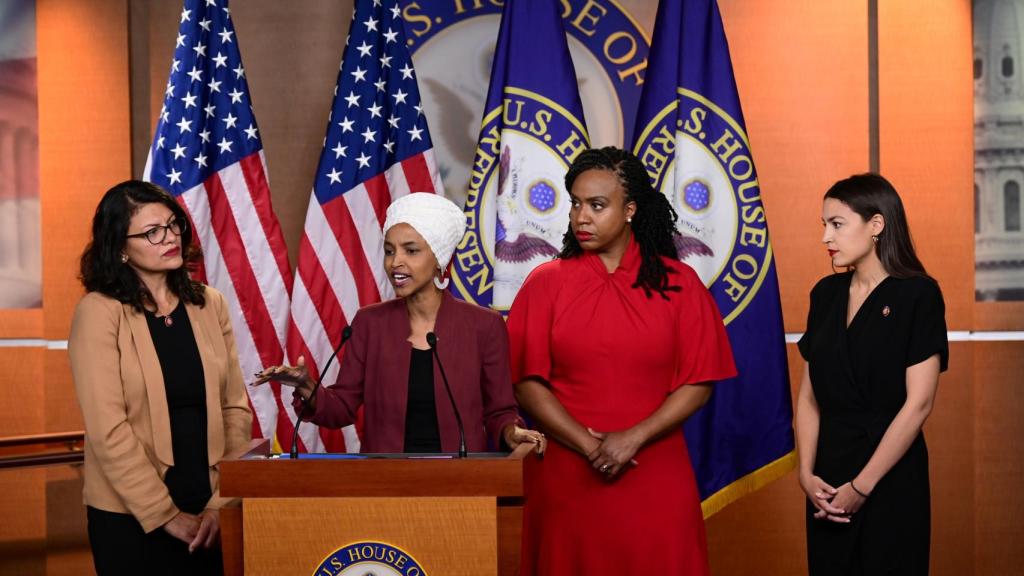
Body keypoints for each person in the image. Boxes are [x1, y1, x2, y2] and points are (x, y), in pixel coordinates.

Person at [507, 146, 736, 575]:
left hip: (654, 470)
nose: (581, 217)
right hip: (567, 475)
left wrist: (634, 436)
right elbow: (526, 382)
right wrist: (589, 444)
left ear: (630, 209)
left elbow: (699, 382)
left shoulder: (680, 284)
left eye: (597, 205)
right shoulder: (546, 283)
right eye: (575, 203)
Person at [255, 192, 544, 455]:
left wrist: (512, 431)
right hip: (384, 486)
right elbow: (341, 409)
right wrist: (307, 385)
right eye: (390, 251)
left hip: (461, 489)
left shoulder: (484, 326)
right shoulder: (370, 323)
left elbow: (499, 412)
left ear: (440, 260)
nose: (396, 262)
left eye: (411, 251)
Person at [69, 181, 253, 575]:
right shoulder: (99, 313)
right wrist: (165, 514)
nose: (169, 238)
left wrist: (221, 503)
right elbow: (108, 430)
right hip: (131, 520)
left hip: (211, 512)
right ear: (119, 247)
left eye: (173, 226)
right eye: (152, 232)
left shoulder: (208, 303)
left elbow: (235, 408)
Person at [796, 173, 947, 575]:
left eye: (837, 225)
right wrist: (807, 474)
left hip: (891, 475)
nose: (826, 237)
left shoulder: (918, 294)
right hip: (827, 482)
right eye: (824, 226)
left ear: (876, 225)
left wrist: (862, 486)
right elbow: (809, 398)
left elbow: (919, 404)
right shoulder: (824, 295)